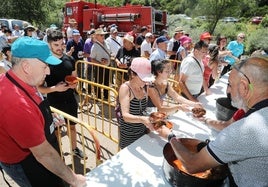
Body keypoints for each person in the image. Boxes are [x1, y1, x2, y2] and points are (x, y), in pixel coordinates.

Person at [158, 57, 268, 186]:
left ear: (244, 87)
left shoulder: (246, 129)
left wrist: (170, 137)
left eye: (230, 85)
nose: (228, 91)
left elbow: (192, 165)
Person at [0, 37, 86, 187]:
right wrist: (74, 179)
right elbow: (44, 153)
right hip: (25, 162)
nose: (48, 71)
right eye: (44, 65)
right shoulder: (17, 104)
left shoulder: (22, 79)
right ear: (26, 66)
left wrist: (47, 117)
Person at [38, 30, 86, 159]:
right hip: (54, 104)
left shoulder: (69, 58)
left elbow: (75, 78)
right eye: (56, 45)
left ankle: (74, 149)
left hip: (70, 100)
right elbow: (40, 88)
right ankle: (59, 154)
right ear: (49, 45)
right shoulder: (45, 63)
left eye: (61, 44)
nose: (60, 48)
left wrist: (75, 84)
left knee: (72, 128)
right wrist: (55, 88)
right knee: (57, 132)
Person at [118, 57, 155, 149]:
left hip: (142, 131)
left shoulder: (145, 86)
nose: (146, 81)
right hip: (128, 134)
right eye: (143, 78)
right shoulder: (125, 88)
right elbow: (126, 116)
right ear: (132, 74)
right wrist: (143, 119)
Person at [90, 28, 111, 100]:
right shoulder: (94, 46)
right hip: (99, 67)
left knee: (107, 82)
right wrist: (100, 63)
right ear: (97, 36)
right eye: (101, 35)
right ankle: (98, 97)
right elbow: (92, 59)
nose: (103, 36)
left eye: (103, 35)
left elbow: (110, 53)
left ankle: (106, 97)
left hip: (108, 66)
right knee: (98, 82)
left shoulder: (107, 43)